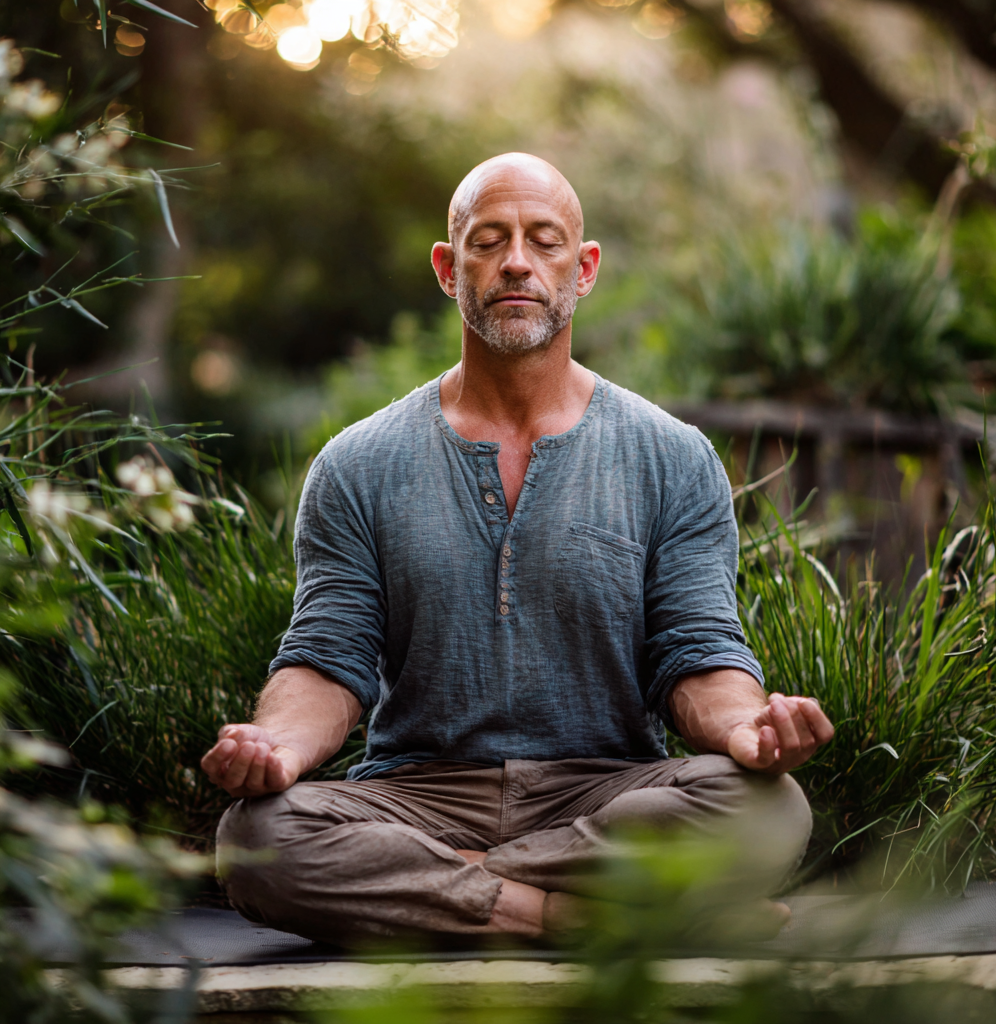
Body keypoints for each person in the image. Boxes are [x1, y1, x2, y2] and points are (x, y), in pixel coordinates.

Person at [201, 153, 834, 943]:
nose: (516, 263)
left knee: (767, 809)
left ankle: (450, 886)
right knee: (257, 840)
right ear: (447, 265)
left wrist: (748, 729)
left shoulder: (672, 456)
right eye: (488, 240)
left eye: (544, 240)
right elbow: (328, 659)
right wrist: (277, 747)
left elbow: (696, 648)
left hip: (608, 795)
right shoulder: (356, 465)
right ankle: (574, 919)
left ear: (585, 266)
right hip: (418, 794)